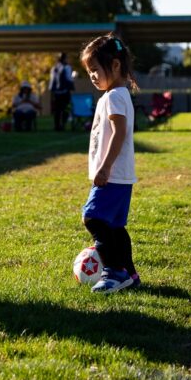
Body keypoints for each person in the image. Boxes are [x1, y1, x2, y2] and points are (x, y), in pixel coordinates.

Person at [79, 34, 139, 294]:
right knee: (115, 227)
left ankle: (114, 272)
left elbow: (119, 132)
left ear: (115, 66)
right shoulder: (118, 94)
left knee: (93, 217)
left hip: (112, 175)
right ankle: (130, 273)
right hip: (121, 176)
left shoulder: (114, 95)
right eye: (89, 71)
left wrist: (104, 167)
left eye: (95, 69)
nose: (92, 76)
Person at [49, 53, 75, 131]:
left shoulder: (54, 68)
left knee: (57, 110)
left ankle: (57, 126)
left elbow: (52, 81)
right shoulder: (67, 67)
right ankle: (63, 124)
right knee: (66, 109)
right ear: (64, 58)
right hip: (65, 92)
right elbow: (69, 79)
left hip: (56, 93)